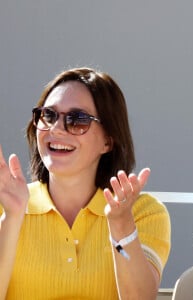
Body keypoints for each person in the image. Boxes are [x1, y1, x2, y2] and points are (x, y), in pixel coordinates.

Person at [0, 67, 171, 299]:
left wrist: (121, 225)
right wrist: (12, 217)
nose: (57, 129)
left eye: (78, 120)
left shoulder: (143, 212)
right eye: (48, 115)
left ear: (108, 142)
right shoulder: (6, 206)